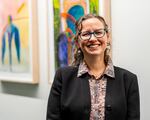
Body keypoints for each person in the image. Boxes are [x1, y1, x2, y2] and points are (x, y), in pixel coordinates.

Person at [46, 14, 140, 120]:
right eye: (86, 34)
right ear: (77, 42)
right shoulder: (63, 77)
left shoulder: (128, 80)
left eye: (98, 32)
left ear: (107, 37)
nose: (93, 38)